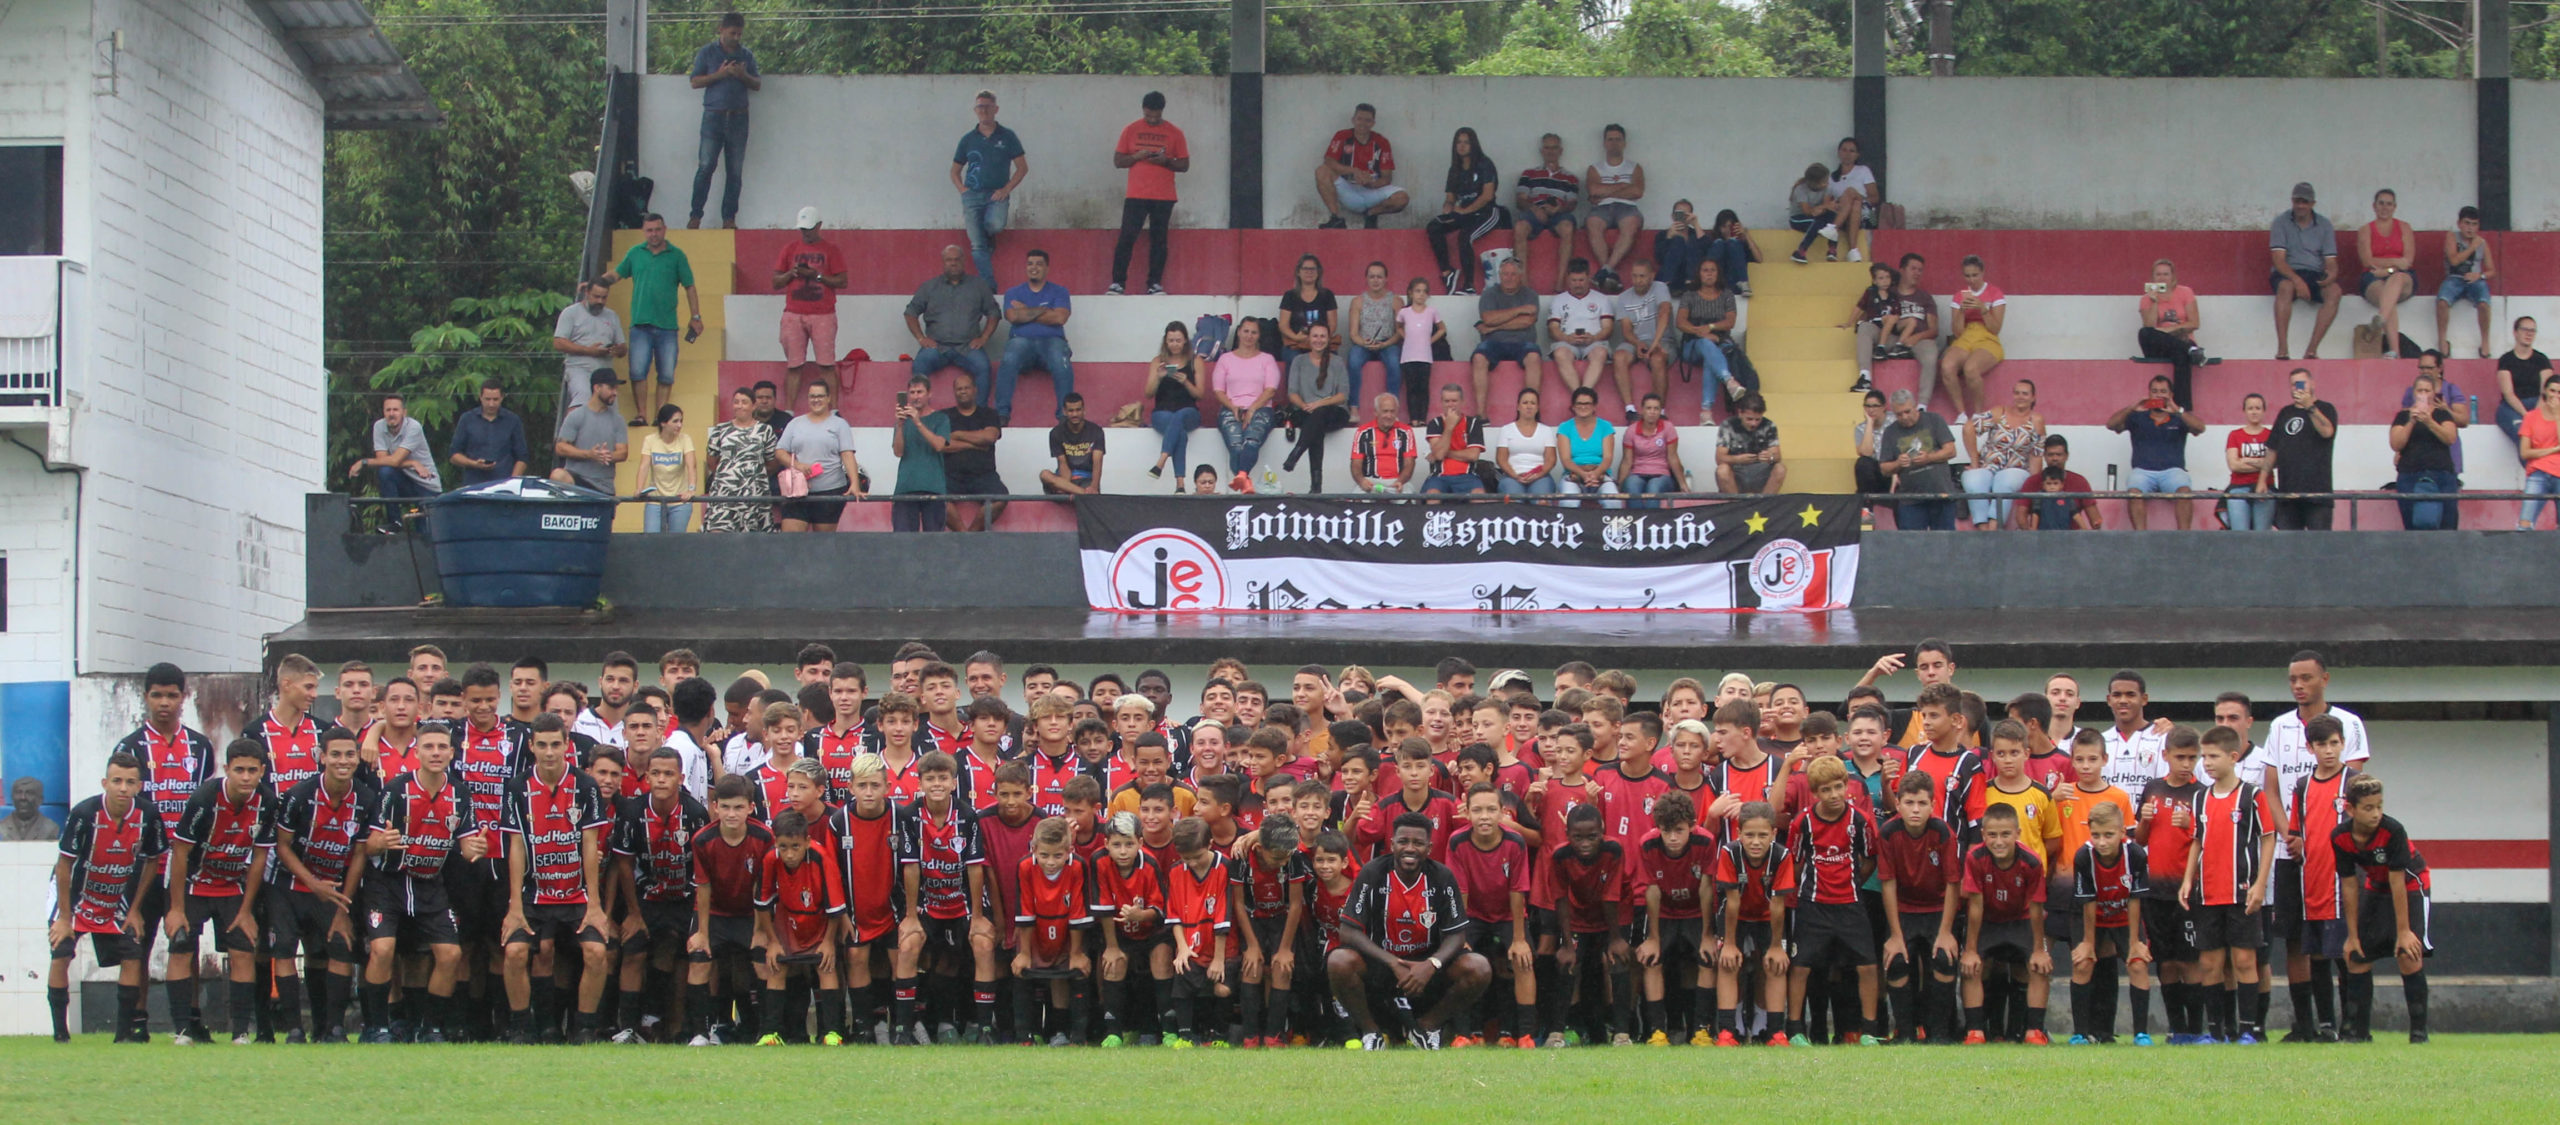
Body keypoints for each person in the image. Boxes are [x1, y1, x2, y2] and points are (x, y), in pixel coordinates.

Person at [1326, 813, 1489, 1049]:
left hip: (1426, 969)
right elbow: (1348, 931)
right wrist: (1392, 962)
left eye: (1418, 843)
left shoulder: (1442, 877)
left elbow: (1457, 935)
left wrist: (1431, 964)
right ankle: (1372, 1033)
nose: (1409, 848)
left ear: (1429, 847)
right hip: (1383, 965)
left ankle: (1426, 1027)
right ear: (1392, 844)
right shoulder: (1372, 873)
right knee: (1339, 960)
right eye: (1403, 842)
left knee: (1479, 967)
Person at [46, 753, 163, 1042]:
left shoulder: (148, 815)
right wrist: (64, 917)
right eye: (117, 781)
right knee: (61, 952)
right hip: (75, 894)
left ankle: (122, 1035)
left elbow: (152, 860)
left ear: (139, 786)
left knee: (133, 952)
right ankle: (61, 1034)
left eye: (130, 782)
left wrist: (135, 909)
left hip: (116, 894)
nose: (123, 788)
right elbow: (64, 865)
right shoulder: (84, 814)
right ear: (105, 783)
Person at [2330, 774, 2433, 1043]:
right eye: (2368, 808)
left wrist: (2403, 932)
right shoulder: (2340, 837)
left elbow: (2398, 881)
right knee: (2357, 954)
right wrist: (2352, 936)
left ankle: (2419, 1033)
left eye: (2379, 806)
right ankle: (2357, 1033)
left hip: (2411, 884)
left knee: (2408, 953)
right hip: (2376, 885)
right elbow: (2350, 886)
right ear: (2350, 809)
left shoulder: (2393, 830)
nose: (2376, 813)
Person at [599, 215, 702, 428]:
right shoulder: (635, 253)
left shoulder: (677, 255)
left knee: (666, 374)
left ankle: (660, 416)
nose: (653, 234)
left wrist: (695, 316)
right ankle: (642, 414)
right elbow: (616, 275)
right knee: (637, 372)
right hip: (640, 324)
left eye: (657, 230)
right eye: (649, 230)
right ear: (643, 232)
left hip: (667, 325)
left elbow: (689, 286)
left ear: (664, 229)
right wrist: (593, 283)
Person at [1108, 91, 1188, 296]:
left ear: (1162, 111)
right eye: (1149, 115)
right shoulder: (1131, 130)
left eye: (1156, 116)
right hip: (1136, 194)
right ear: (1143, 109)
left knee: (1159, 240)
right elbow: (1118, 161)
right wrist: (1136, 156)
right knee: (1127, 237)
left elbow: (1184, 164)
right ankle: (1118, 282)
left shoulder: (1174, 132)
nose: (1152, 119)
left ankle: (1154, 283)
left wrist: (1166, 161)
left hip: (1164, 195)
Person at [685, 12, 758, 230]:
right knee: (706, 166)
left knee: (735, 170)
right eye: (732, 33)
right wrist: (721, 74)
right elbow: (695, 81)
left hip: (739, 116)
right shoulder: (707, 53)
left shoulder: (747, 55)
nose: (736, 38)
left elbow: (757, 84)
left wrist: (741, 75)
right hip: (714, 116)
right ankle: (696, 215)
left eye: (739, 34)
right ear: (721, 30)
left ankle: (729, 219)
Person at [2107, 374, 2204, 530]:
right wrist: (2132, 407)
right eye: (2155, 391)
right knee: (2133, 493)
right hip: (2143, 472)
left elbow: (2200, 428)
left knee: (2185, 492)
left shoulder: (2179, 417)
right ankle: (2141, 539)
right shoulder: (2137, 417)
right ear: (2149, 393)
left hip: (2173, 471)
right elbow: (2111, 424)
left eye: (2163, 391)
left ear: (2171, 395)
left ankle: (2184, 538)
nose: (2159, 394)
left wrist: (2177, 410)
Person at [952, 90, 1028, 285]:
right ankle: (989, 286)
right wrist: (963, 190)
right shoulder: (968, 139)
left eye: (987, 106)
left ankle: (989, 235)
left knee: (995, 225)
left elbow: (1022, 168)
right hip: (972, 196)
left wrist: (1006, 189)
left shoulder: (1008, 136)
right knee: (977, 246)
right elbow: (955, 170)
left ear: (996, 109)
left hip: (997, 195)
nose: (984, 110)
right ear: (975, 110)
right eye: (980, 107)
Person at [906, 245, 1000, 390]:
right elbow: (910, 312)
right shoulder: (929, 287)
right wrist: (920, 338)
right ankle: (919, 411)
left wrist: (984, 338)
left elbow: (994, 312)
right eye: (949, 260)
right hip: (937, 347)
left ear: (963, 261)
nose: (953, 263)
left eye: (957, 259)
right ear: (943, 262)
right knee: (919, 365)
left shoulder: (979, 286)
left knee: (984, 367)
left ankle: (981, 411)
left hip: (968, 347)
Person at [1424, 127, 1505, 296]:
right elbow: (1450, 198)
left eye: (1466, 142)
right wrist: (1448, 206)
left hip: (1486, 213)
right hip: (1464, 213)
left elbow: (1488, 195)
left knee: (1465, 237)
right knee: (1434, 226)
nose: (1462, 146)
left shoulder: (1484, 163)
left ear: (1473, 144)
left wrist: (1465, 211)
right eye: (1458, 142)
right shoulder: (1454, 169)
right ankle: (1448, 273)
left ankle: (1469, 286)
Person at [772, 207, 847, 387]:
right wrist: (792, 273)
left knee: (827, 365)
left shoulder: (831, 249)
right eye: (803, 229)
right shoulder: (789, 249)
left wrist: (816, 276)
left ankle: (833, 411)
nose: (805, 232)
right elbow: (776, 282)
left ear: (819, 226)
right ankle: (790, 411)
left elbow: (842, 281)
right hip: (793, 313)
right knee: (793, 366)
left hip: (823, 313)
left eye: (809, 228)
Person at [774, 379, 860, 533]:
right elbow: (780, 452)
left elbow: (847, 455)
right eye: (812, 396)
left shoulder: (840, 425)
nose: (816, 400)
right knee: (790, 542)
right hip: (797, 492)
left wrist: (854, 483)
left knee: (823, 544)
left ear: (828, 399)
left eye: (820, 396)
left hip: (830, 491)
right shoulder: (795, 423)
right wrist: (798, 466)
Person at [2270, 182, 2343, 361]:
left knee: (2335, 292)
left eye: (2305, 202)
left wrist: (2331, 275)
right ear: (2292, 201)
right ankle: (2282, 349)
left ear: (2313, 204)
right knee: (2285, 288)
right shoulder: (2280, 222)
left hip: (2314, 273)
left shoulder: (2325, 225)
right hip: (2287, 272)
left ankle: (2311, 349)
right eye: (2297, 201)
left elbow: (2330, 261)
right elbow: (2279, 260)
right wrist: (2297, 281)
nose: (2301, 205)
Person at [1960, 380, 2043, 530]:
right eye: (2017, 393)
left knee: (2004, 480)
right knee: (1972, 480)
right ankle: (1983, 530)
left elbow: (2037, 454)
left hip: (2017, 469)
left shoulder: (2036, 420)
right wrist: (1974, 461)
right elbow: (1969, 428)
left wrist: (2033, 486)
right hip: (1988, 465)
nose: (2020, 397)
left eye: (2025, 393)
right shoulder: (1999, 412)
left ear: (2033, 397)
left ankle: (1994, 528)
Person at [1281, 325, 1352, 491]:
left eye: (1322, 336)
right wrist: (1304, 406)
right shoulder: (1299, 361)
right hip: (1305, 411)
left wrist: (1319, 404)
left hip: (1334, 411)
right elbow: (1292, 393)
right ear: (1309, 338)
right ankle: (1316, 486)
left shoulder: (1337, 362)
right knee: (1315, 426)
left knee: (1318, 417)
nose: (1318, 340)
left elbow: (1343, 395)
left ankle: (1297, 452)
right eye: (1315, 336)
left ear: (1328, 339)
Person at [2266, 368, 2339, 531]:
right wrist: (2262, 479)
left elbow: (2327, 432)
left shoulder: (2326, 408)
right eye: (2293, 385)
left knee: (2319, 547)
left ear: (2312, 384)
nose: (2297, 388)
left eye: (2301, 383)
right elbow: (2272, 448)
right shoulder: (2285, 412)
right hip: (2288, 494)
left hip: (2318, 494)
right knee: (2290, 548)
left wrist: (2310, 407)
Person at [1315, 103, 1407, 229]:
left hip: (1372, 191)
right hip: (1348, 189)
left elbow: (1387, 178)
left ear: (1373, 123)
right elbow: (1329, 161)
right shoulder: (1342, 136)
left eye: (1368, 120)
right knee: (1321, 171)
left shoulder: (1382, 142)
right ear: (1353, 120)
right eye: (1359, 119)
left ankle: (1371, 214)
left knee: (1402, 198)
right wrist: (1353, 171)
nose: (1363, 123)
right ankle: (1335, 218)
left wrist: (1371, 183)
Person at [1211, 318, 1282, 480]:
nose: (1249, 336)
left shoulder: (1267, 359)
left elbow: (1270, 390)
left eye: (1254, 332)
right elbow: (1218, 390)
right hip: (1230, 407)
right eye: (1246, 331)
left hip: (1261, 407)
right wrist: (1233, 407)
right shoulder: (1225, 359)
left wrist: (1252, 408)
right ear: (1239, 332)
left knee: (1251, 442)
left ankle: (1241, 480)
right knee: (1236, 447)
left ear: (1259, 336)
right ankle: (1244, 483)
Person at [1938, 255, 2006, 424]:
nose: (1972, 279)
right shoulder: (1959, 295)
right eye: (1967, 276)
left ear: (1982, 272)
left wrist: (1983, 309)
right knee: (1947, 366)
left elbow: (1996, 329)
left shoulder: (1995, 293)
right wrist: (1961, 310)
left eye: (1975, 275)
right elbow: (1957, 332)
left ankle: (1978, 413)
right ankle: (1961, 413)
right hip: (1966, 337)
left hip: (1987, 338)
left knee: (1971, 368)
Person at [1877, 388, 1958, 530]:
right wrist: (1898, 463)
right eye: (1899, 414)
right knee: (1912, 547)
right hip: (1910, 501)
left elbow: (1951, 451)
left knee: (1944, 546)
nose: (1904, 417)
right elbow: (1884, 469)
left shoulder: (1934, 420)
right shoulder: (1890, 432)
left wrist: (1929, 458)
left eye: (1907, 411)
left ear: (1915, 407)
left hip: (1941, 494)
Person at [1470, 256, 1543, 412]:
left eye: (1513, 274)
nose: (1508, 278)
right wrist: (1519, 310)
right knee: (1478, 357)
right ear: (1500, 275)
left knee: (1534, 357)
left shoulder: (1530, 295)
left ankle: (1532, 410)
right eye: (1505, 274)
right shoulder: (1489, 294)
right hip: (1493, 344)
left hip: (1523, 343)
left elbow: (1527, 322)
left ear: (1520, 276)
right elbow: (1488, 319)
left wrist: (1494, 327)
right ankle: (1481, 413)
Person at [1511, 133, 1581, 292]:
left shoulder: (1570, 178)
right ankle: (1524, 283)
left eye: (1554, 148)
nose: (1551, 151)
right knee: (1521, 226)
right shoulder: (1529, 174)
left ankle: (1560, 283)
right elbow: (1520, 200)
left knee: (1568, 227)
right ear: (1542, 151)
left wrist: (1558, 209)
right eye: (1547, 147)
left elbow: (1572, 204)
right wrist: (1535, 209)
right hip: (1534, 212)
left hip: (1559, 213)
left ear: (1561, 151)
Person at [2390, 372, 2461, 530]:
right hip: (2410, 474)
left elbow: (2450, 438)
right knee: (2412, 526)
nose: (2423, 394)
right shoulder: (2403, 416)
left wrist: (2429, 422)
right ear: (2413, 392)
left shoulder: (2442, 414)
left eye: (2427, 390)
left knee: (2447, 525)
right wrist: (2411, 422)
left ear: (2433, 392)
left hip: (2442, 474)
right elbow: (2396, 444)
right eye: (2419, 390)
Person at [937, 372, 1006, 531]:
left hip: (984, 476)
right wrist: (975, 444)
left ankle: (972, 534)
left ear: (975, 390)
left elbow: (989, 437)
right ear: (954, 392)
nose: (963, 391)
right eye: (959, 388)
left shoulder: (989, 414)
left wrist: (958, 434)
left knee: (1000, 499)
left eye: (966, 388)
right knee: (936, 499)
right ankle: (965, 536)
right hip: (951, 476)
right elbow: (942, 445)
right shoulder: (944, 416)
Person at [2354, 188, 2418, 358]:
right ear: (2374, 206)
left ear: (2395, 207)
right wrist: (2395, 263)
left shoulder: (2404, 227)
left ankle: (2381, 318)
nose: (2385, 207)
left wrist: (2388, 269)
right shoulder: (2365, 230)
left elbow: (2408, 261)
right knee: (2387, 297)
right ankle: (2395, 352)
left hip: (2402, 277)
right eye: (2381, 203)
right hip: (2373, 277)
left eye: (2389, 204)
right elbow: (2367, 261)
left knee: (2396, 279)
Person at [703, 386, 776, 533]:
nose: (739, 406)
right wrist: (730, 475)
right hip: (724, 494)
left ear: (753, 405)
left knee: (753, 543)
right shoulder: (720, 429)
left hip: (754, 495)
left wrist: (751, 477)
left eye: (744, 402)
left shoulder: (765, 430)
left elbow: (772, 463)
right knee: (718, 537)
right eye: (736, 402)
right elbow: (711, 461)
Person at [1677, 259, 1746, 412]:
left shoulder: (1727, 295)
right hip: (1692, 345)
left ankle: (1706, 412)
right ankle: (1729, 381)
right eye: (1705, 270)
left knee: (1711, 356)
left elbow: (1730, 321)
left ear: (1718, 273)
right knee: (1706, 344)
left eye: (1713, 270)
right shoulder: (1689, 295)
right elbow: (1680, 322)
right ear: (1699, 274)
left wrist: (1711, 327)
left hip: (1721, 343)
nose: (1709, 273)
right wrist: (1701, 333)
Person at [2137, 259, 2207, 410]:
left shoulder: (2185, 292)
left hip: (2181, 343)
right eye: (2158, 275)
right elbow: (2149, 328)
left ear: (2173, 276)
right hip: (2160, 346)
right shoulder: (2145, 299)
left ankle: (2182, 408)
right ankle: (2191, 351)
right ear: (2152, 277)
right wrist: (2154, 301)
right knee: (2144, 333)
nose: (2162, 278)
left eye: (2166, 274)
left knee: (2182, 356)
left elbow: (2194, 323)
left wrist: (2166, 331)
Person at [1582, 124, 1644, 291]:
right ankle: (1609, 271)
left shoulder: (1634, 167)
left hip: (1627, 208)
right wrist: (1624, 186)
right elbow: (1593, 190)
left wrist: (1606, 191)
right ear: (1604, 143)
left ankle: (1605, 271)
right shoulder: (1595, 168)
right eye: (1610, 139)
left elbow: (1637, 191)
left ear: (1624, 143)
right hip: (1602, 209)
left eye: (1618, 139)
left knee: (1631, 224)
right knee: (1592, 222)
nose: (1614, 143)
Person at [1144, 322, 1206, 488]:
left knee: (1180, 416)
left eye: (1178, 340)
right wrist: (1158, 377)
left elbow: (1200, 394)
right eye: (1171, 341)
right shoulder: (1158, 361)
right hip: (1162, 412)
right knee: (1180, 433)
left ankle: (1161, 461)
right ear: (1165, 341)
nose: (1175, 344)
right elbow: (1148, 393)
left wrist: (1186, 381)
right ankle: (1180, 483)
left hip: (1189, 412)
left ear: (1185, 340)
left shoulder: (1195, 361)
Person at [551, 280, 626, 412]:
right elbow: (558, 342)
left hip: (604, 370)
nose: (600, 301)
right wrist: (589, 351)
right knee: (583, 398)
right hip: (580, 368)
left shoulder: (612, 316)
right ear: (587, 293)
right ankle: (570, 432)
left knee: (611, 403)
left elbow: (623, 347)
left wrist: (617, 350)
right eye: (596, 297)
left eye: (604, 297)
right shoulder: (570, 313)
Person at [1611, 259, 1674, 415]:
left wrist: (1655, 343)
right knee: (1619, 356)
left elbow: (1664, 313)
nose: (1638, 280)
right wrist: (1638, 343)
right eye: (1634, 276)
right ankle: (1630, 409)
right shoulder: (1624, 297)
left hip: (1662, 340)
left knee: (1657, 358)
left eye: (1642, 276)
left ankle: (1660, 411)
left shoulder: (1660, 288)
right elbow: (1626, 330)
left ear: (1652, 276)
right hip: (1635, 341)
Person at [1337, 261, 1403, 408]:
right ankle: (1353, 407)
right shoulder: (1358, 301)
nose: (1375, 280)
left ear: (1386, 279)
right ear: (1366, 278)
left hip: (1388, 343)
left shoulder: (1396, 301)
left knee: (1394, 363)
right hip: (1363, 343)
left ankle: (1392, 408)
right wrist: (1365, 343)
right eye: (1372, 276)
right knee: (1353, 361)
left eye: (1379, 277)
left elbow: (1400, 332)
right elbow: (1353, 333)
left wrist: (1385, 343)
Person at [550, 371, 629, 493]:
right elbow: (560, 447)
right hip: (576, 480)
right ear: (597, 388)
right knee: (557, 475)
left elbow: (623, 452)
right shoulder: (576, 415)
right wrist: (589, 454)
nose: (615, 393)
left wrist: (606, 455)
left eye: (616, 389)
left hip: (604, 485)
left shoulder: (618, 420)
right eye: (611, 388)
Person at [352, 393, 442, 500]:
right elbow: (382, 460)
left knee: (424, 515)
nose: (391, 414)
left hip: (425, 483)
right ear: (383, 412)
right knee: (385, 471)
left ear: (404, 412)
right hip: (403, 480)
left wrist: (364, 462)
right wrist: (412, 463)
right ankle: (394, 517)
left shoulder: (414, 427)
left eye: (395, 410)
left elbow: (394, 461)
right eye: (388, 410)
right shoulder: (379, 426)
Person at [1547, 259, 1615, 397]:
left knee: (1601, 353)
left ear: (1589, 278)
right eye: (1574, 280)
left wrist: (1594, 337)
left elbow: (1608, 328)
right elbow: (1553, 328)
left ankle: (1584, 393)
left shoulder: (1602, 299)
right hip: (1567, 342)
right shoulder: (1558, 300)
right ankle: (1579, 395)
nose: (1578, 284)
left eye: (1581, 280)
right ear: (1567, 279)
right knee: (1560, 353)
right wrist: (1567, 338)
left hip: (1594, 341)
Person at [2435, 205, 2495, 358]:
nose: (2470, 228)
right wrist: (2472, 247)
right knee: (2442, 302)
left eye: (2474, 224)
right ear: (2459, 223)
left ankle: (2485, 343)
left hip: (2474, 280)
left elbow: (2491, 270)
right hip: (2454, 279)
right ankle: (2442, 341)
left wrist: (2480, 275)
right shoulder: (2452, 237)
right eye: (2467, 223)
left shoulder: (2483, 243)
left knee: (2484, 303)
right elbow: (2454, 261)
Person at [449, 380, 529, 485]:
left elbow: (522, 457)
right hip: (474, 484)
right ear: (480, 397)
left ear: (502, 397)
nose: (491, 404)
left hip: (504, 485)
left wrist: (512, 482)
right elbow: (453, 455)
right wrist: (473, 464)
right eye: (487, 399)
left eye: (495, 399)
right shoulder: (467, 419)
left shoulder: (513, 420)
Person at [1555, 386, 1621, 509]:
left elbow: (1607, 458)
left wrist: (1595, 474)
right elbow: (1566, 460)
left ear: (1594, 406)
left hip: (1601, 474)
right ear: (1573, 406)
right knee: (1569, 503)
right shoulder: (1565, 427)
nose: (1583, 407)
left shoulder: (1605, 426)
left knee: (1614, 502)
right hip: (1573, 474)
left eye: (1587, 403)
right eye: (1579, 403)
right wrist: (1583, 475)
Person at [1616, 393, 1684, 506]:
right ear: (1642, 410)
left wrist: (1683, 484)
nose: (1652, 412)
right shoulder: (1631, 430)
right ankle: (1636, 521)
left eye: (1656, 409)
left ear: (1660, 411)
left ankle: (1652, 522)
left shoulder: (1668, 428)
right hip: (1637, 473)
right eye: (1648, 408)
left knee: (1653, 487)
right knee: (1632, 486)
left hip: (1661, 474)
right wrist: (1620, 485)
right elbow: (1627, 461)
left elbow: (1673, 457)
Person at [639, 404, 698, 533]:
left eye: (681, 421)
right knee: (651, 539)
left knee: (675, 544)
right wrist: (639, 488)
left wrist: (691, 489)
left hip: (679, 501)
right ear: (663, 423)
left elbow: (691, 466)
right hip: (655, 500)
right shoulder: (650, 440)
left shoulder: (685, 439)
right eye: (675, 421)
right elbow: (644, 466)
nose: (679, 425)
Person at [2022, 435, 2099, 531]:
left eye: (2059, 454)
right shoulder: (2032, 481)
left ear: (2066, 456)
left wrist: (2092, 531)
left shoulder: (2080, 481)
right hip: (2041, 540)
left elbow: (2094, 518)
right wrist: (2030, 537)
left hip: (2072, 540)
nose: (2054, 458)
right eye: (2050, 455)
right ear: (2044, 456)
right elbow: (2021, 515)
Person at [1420, 383, 1487, 495]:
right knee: (1432, 494)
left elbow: (1473, 456)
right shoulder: (1435, 423)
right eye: (1447, 401)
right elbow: (1439, 455)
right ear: (1441, 402)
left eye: (1454, 401)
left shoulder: (1473, 423)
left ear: (1462, 402)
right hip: (1439, 476)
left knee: (1479, 494)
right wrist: (1449, 427)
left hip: (1467, 476)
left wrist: (1445, 452)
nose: (1451, 405)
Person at [2494, 316, 2551, 444]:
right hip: (2512, 407)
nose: (2529, 333)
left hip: (2538, 405)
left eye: (2532, 330)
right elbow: (2508, 393)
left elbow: (2546, 392)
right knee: (2523, 436)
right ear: (2515, 332)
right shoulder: (2506, 360)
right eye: (2525, 329)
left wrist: (2535, 415)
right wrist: (2526, 416)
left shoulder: (2542, 360)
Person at [1276, 254, 1337, 371]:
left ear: (1318, 272)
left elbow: (1332, 325)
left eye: (1313, 269)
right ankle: (1293, 390)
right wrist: (1296, 337)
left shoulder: (1327, 295)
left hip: (1321, 341)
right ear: (1298, 272)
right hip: (1295, 343)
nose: (1309, 272)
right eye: (1305, 269)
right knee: (1294, 359)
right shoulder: (1290, 296)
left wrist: (1318, 339)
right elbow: (1283, 325)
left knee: (1334, 359)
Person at [1714, 392, 1784, 496]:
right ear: (1740, 413)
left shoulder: (1769, 425)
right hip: (1736, 471)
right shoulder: (1728, 425)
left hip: (1760, 471)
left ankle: (1764, 503)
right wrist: (1738, 459)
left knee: (1780, 469)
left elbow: (1777, 456)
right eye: (1749, 419)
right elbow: (1719, 458)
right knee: (1722, 470)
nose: (1754, 423)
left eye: (1757, 419)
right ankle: (1736, 504)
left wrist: (1770, 457)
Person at [1349, 392, 1418, 495]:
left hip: (1397, 481)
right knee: (1355, 500)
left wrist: (1400, 481)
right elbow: (1355, 464)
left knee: (1409, 499)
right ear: (1376, 412)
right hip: (1371, 481)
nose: (1389, 416)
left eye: (1392, 411)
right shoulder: (1363, 432)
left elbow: (1409, 463)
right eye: (1385, 411)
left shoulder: (1406, 432)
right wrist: (1362, 481)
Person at [2224, 393, 2275, 532]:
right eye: (2250, 408)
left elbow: (2274, 464)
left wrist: (2246, 460)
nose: (2254, 411)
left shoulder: (2271, 435)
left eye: (2258, 408)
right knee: (2240, 534)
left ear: (2264, 411)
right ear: (2244, 411)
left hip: (2265, 488)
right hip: (2238, 488)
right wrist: (2262, 464)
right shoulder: (2235, 435)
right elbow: (2234, 465)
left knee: (2262, 535)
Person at [1494, 387, 1558, 497]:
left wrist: (1538, 475)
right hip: (1512, 476)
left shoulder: (1546, 430)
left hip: (1540, 477)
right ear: (1518, 406)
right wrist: (1515, 476)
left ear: (1537, 408)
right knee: (1514, 499)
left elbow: (1551, 459)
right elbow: (1501, 459)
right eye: (1525, 403)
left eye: (1533, 403)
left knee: (1541, 500)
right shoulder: (1506, 429)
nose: (1529, 406)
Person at [1039, 393, 1106, 496]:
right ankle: (1083, 494)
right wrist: (1067, 487)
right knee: (1044, 474)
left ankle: (1085, 493)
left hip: (1086, 480)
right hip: (1065, 480)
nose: (1075, 414)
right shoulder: (1056, 433)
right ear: (1064, 411)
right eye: (1071, 411)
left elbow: (1098, 462)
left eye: (1078, 410)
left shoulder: (1096, 431)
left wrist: (1094, 487)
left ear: (1084, 410)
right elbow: (1062, 463)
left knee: (1089, 490)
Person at [1396, 277, 1446, 410]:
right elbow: (1398, 326)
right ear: (1410, 293)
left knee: (1423, 387)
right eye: (1417, 291)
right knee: (1411, 387)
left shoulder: (1432, 311)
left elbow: (1442, 329)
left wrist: (1430, 340)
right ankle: (1414, 419)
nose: (1421, 294)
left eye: (1424, 291)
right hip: (1408, 356)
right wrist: (1406, 337)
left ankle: (1422, 418)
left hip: (1425, 356)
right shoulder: (1404, 312)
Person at [2521, 374, 2560, 530]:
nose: (2556, 396)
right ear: (2545, 391)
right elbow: (2524, 452)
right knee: (2525, 524)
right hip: (2538, 472)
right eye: (2553, 391)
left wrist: (2557, 415)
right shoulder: (2531, 417)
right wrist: (2554, 449)